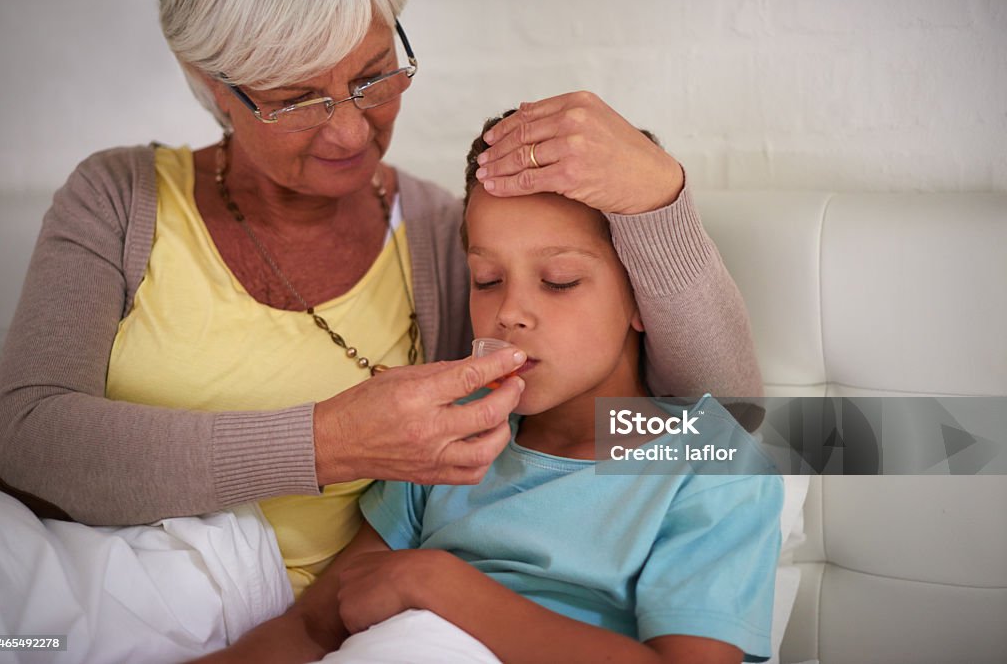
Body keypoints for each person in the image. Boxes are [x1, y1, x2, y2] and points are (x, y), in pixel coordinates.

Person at [0, 0, 761, 603]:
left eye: (372, 76)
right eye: (296, 99)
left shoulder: (450, 240)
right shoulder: (117, 197)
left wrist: (662, 200)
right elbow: (26, 439)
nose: (352, 132)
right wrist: (329, 441)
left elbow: (733, 429)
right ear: (213, 87)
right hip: (90, 575)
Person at [195, 113, 782, 664]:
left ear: (640, 298)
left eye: (559, 281)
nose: (511, 313)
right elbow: (313, 626)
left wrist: (437, 583)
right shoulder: (447, 430)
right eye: (488, 279)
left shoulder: (712, 460)